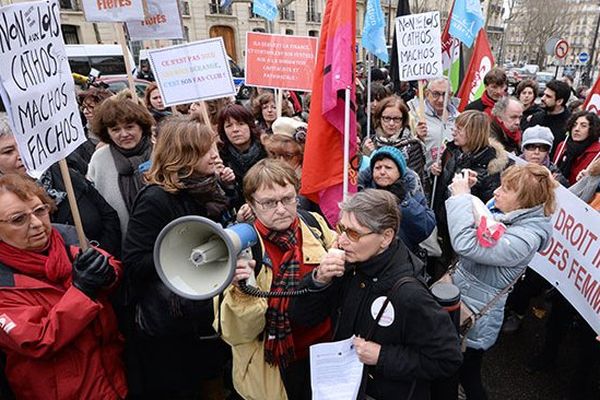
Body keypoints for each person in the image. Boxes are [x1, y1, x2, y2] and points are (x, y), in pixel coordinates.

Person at [288, 189, 462, 400]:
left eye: (353, 233)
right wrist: (318, 280)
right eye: (341, 228)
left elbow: (447, 358)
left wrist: (383, 356)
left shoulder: (409, 294)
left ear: (386, 237)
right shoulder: (350, 266)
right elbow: (303, 318)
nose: (341, 240)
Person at [123, 116, 235, 399]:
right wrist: (182, 253)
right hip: (172, 326)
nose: (215, 155)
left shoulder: (206, 187)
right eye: (206, 149)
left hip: (204, 315)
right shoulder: (155, 199)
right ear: (183, 155)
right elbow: (134, 262)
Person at [216, 158, 335, 400]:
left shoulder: (314, 224)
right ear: (251, 204)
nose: (281, 209)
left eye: (288, 198)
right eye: (269, 202)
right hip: (272, 363)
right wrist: (242, 293)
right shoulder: (239, 247)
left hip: (322, 354)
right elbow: (235, 334)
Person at [0, 173, 126, 399]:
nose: (38, 224)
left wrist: (107, 274)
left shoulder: (67, 237)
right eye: (19, 219)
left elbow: (110, 264)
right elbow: (38, 340)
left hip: (110, 378)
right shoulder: (3, 283)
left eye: (40, 211)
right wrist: (82, 292)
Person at [445, 163, 556, 400]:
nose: (496, 192)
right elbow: (475, 224)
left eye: (506, 189)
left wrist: (463, 199)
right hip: (464, 297)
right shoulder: (505, 214)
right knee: (450, 366)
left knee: (469, 375)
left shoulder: (526, 238)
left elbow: (466, 244)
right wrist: (467, 194)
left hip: (476, 316)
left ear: (524, 201)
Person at [0, 117, 122, 257]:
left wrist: (101, 256)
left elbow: (108, 215)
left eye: (26, 146)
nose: (21, 155)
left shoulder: (66, 174)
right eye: (8, 151)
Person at [430, 110, 510, 278]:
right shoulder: (453, 151)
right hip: (444, 223)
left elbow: (489, 206)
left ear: (474, 132)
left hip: (466, 232)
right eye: (455, 127)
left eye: (460, 129)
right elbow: (443, 187)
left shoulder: (491, 167)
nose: (454, 131)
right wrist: (435, 173)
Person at [88, 91, 154, 238]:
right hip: (120, 242)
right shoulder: (100, 158)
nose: (124, 134)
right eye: (115, 129)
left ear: (142, 126)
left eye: (129, 127)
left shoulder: (160, 152)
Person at [358, 146, 436, 252]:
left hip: (402, 255)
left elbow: (425, 227)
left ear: (400, 172)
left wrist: (404, 202)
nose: (382, 172)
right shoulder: (361, 193)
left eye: (388, 168)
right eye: (378, 167)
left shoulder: (411, 192)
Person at [363, 96, 427, 187]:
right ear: (379, 118)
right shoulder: (369, 142)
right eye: (387, 118)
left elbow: (412, 180)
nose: (391, 123)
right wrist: (365, 156)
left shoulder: (413, 146)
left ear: (403, 120)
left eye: (396, 119)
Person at [217, 103, 267, 210]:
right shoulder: (220, 158)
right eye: (229, 126)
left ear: (250, 125)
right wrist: (226, 184)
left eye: (240, 123)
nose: (235, 129)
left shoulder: (267, 149)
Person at [409, 77, 459, 173]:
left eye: (445, 94)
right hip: (425, 178)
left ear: (451, 95)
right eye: (435, 94)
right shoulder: (414, 117)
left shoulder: (459, 118)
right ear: (427, 94)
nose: (441, 100)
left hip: (451, 178)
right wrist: (417, 137)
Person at [553, 110, 600, 185]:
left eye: (583, 126)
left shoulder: (597, 154)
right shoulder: (563, 146)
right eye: (574, 125)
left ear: (592, 129)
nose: (577, 129)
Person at [525, 79, 571, 154]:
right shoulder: (536, 118)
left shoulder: (570, 124)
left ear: (559, 101)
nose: (542, 98)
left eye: (548, 96)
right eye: (544, 94)